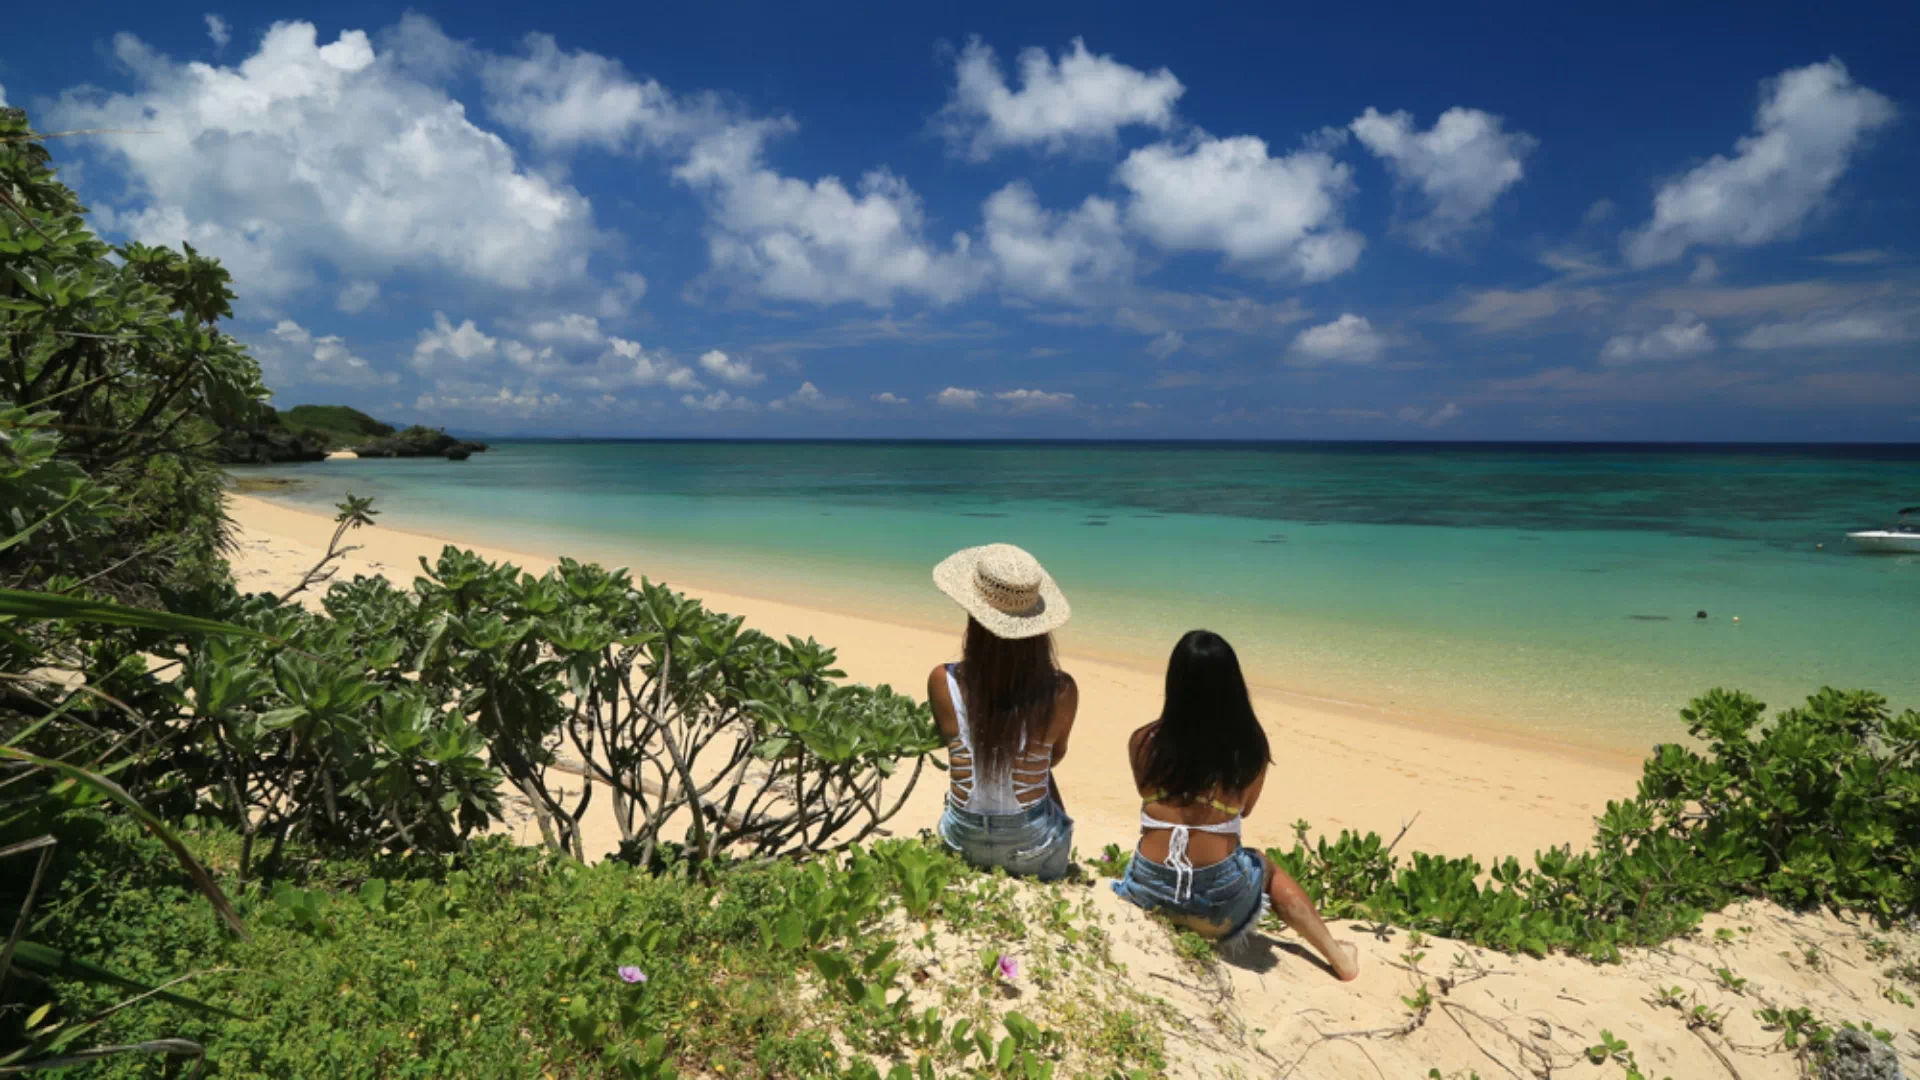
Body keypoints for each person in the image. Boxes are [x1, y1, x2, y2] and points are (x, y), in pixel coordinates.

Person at [1114, 630, 1360, 980]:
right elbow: (1245, 810)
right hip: (1217, 905)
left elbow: (1145, 788)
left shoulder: (1142, 742)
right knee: (1265, 867)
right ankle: (1339, 958)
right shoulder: (1248, 750)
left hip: (1148, 891)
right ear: (1232, 686)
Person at [928, 543, 1077, 880]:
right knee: (1040, 773)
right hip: (1033, 849)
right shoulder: (1062, 690)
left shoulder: (942, 680)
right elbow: (1053, 757)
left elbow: (956, 745)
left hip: (961, 841)